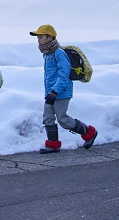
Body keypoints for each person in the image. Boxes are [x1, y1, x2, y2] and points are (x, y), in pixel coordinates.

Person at [31, 24, 97, 153]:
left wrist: (55, 91)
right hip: (50, 93)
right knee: (48, 117)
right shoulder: (47, 53)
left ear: (50, 37)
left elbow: (64, 74)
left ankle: (89, 133)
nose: (38, 40)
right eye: (37, 37)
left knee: (63, 119)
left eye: (41, 37)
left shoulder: (59, 53)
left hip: (60, 92)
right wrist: (50, 92)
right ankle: (53, 144)